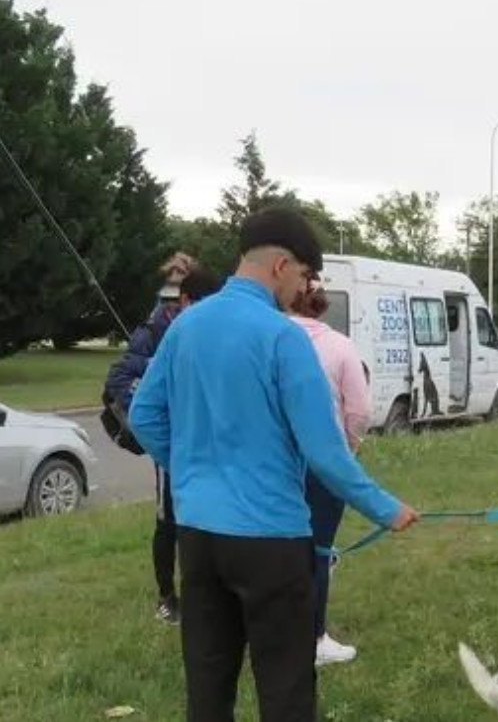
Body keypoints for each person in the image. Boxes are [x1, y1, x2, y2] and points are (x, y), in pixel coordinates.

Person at [130, 207, 419, 722]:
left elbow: (143, 415)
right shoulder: (283, 337)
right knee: (285, 689)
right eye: (306, 276)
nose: (304, 290)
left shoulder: (185, 325)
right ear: (282, 265)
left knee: (208, 685)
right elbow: (326, 451)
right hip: (271, 539)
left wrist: (191, 471)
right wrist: (385, 508)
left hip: (197, 533)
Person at [104, 266, 222, 625]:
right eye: (200, 303)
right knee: (169, 519)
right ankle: (167, 597)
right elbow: (120, 379)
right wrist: (156, 397)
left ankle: (205, 592)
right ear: (184, 301)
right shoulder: (155, 332)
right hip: (171, 445)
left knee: (205, 518)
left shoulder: (221, 330)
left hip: (212, 441)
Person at [287, 282, 371, 667]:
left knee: (276, 549)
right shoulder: (340, 346)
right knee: (319, 550)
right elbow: (360, 411)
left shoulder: (267, 339)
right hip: (324, 465)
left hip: (273, 464)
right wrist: (347, 451)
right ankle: (315, 638)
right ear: (322, 307)